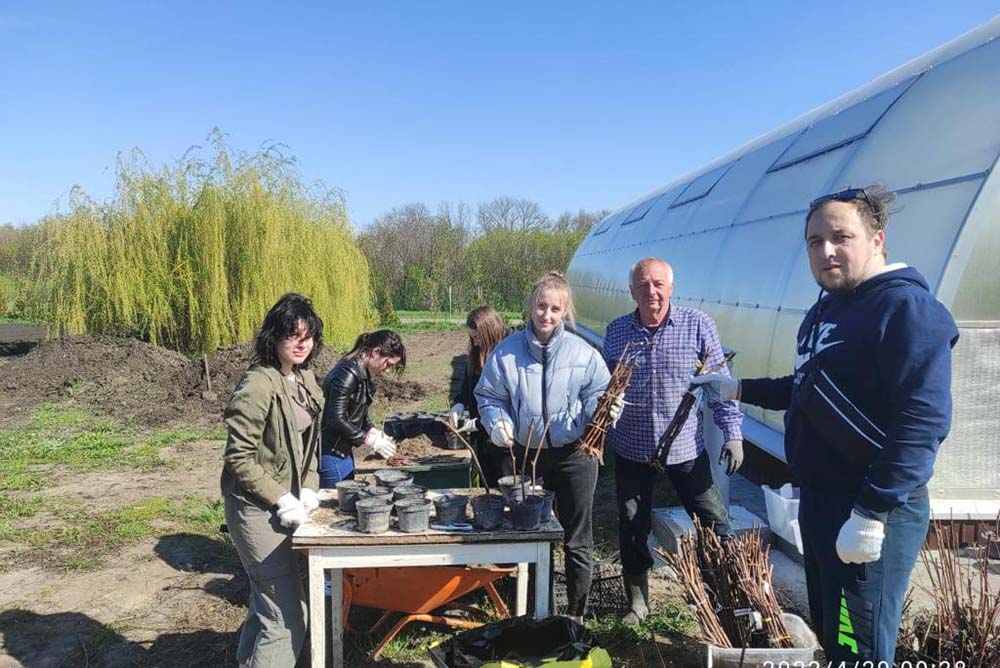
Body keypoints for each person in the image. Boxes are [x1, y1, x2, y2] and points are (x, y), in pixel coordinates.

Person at [693, 185, 959, 666]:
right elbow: (806, 387)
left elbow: (922, 421)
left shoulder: (905, 310)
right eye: (815, 241)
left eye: (841, 237)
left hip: (870, 506)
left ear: (877, 239)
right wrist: (736, 388)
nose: (826, 250)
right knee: (834, 637)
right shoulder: (827, 310)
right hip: (820, 501)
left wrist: (872, 512)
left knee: (860, 647)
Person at [602, 257, 744, 626]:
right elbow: (604, 388)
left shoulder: (697, 325)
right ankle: (638, 602)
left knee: (713, 521)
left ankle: (726, 594)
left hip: (684, 448)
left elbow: (718, 386)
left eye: (658, 283)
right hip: (632, 447)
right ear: (631, 291)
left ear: (671, 287)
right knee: (632, 524)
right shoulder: (617, 331)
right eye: (643, 284)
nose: (651, 291)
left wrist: (733, 433)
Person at [476, 271, 611, 620]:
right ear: (530, 306)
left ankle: (576, 616)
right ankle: (540, 613)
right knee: (535, 534)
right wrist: (497, 422)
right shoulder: (507, 353)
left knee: (577, 537)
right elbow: (489, 396)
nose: (546, 315)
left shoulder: (583, 353)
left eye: (554, 308)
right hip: (526, 456)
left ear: (565, 311)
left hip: (575, 455)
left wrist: (603, 410)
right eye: (541, 306)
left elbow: (599, 392)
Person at [220, 293, 325, 668]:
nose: (301, 344)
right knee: (287, 617)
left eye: (308, 336)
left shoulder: (304, 378)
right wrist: (281, 497)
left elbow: (310, 444)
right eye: (292, 335)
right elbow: (238, 458)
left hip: (286, 504)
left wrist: (309, 485)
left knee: (268, 600)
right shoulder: (258, 385)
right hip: (254, 509)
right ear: (273, 337)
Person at [319, 329, 406, 487]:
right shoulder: (347, 374)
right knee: (337, 499)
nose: (387, 370)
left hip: (343, 451)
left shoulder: (362, 374)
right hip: (331, 452)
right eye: (387, 364)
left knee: (347, 496)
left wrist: (371, 429)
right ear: (376, 352)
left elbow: (358, 410)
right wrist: (369, 439)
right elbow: (335, 418)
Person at [449, 306, 509, 488]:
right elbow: (468, 385)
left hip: (505, 440)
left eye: (477, 337)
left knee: (505, 486)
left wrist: (482, 423)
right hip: (483, 439)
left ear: (489, 333)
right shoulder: (477, 354)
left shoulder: (508, 356)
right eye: (472, 338)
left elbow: (511, 403)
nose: (475, 343)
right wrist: (459, 403)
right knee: (487, 486)